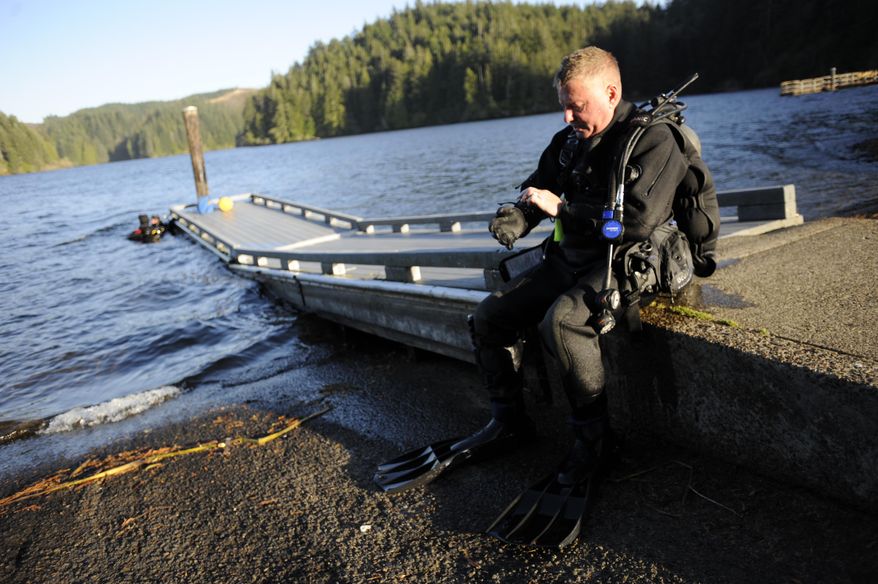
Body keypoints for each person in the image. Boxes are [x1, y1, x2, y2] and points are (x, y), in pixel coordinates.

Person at [375, 46, 698, 547]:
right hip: (570, 260)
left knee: (562, 323)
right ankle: (509, 423)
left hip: (628, 261)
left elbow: (635, 221)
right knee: (490, 317)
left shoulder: (654, 140)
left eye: (578, 106)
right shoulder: (569, 141)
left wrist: (561, 209)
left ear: (610, 93)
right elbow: (539, 188)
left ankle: (596, 443)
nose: (568, 117)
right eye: (564, 106)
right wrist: (518, 216)